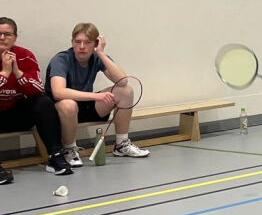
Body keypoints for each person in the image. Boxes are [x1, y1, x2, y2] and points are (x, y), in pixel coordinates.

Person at [45, 23, 150, 166]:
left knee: (126, 91)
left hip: (85, 105)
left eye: (87, 42)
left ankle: (121, 145)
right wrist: (95, 96)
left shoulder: (96, 57)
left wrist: (100, 53)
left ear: (95, 43)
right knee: (68, 104)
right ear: (72, 43)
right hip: (62, 111)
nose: (82, 46)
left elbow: (123, 81)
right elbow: (58, 92)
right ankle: (69, 150)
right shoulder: (62, 59)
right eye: (78, 42)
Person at [0, 17, 73, 183]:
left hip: (14, 113)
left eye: (7, 34)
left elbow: (38, 88)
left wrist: (18, 73)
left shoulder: (25, 56)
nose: (2, 38)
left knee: (43, 102)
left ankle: (55, 156)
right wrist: (5, 72)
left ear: (15, 37)